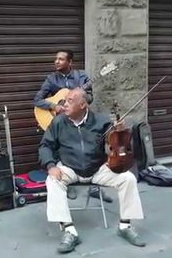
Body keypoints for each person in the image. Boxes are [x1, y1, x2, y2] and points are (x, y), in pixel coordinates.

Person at [39, 88, 145, 254]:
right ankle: (69, 231)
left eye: (70, 101)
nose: (64, 104)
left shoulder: (100, 121)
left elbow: (117, 144)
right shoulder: (58, 122)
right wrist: (51, 166)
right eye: (65, 100)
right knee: (52, 181)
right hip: (70, 168)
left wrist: (120, 132)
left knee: (128, 178)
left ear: (82, 105)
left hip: (97, 168)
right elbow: (45, 145)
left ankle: (125, 226)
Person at [33, 49, 112, 202]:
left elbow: (89, 98)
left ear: (70, 62)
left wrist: (78, 99)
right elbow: (37, 100)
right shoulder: (51, 79)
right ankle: (67, 185)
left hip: (80, 117)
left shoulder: (81, 76)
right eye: (56, 59)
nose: (57, 62)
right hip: (61, 121)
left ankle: (95, 187)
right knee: (61, 149)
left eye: (61, 59)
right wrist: (54, 106)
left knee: (91, 148)